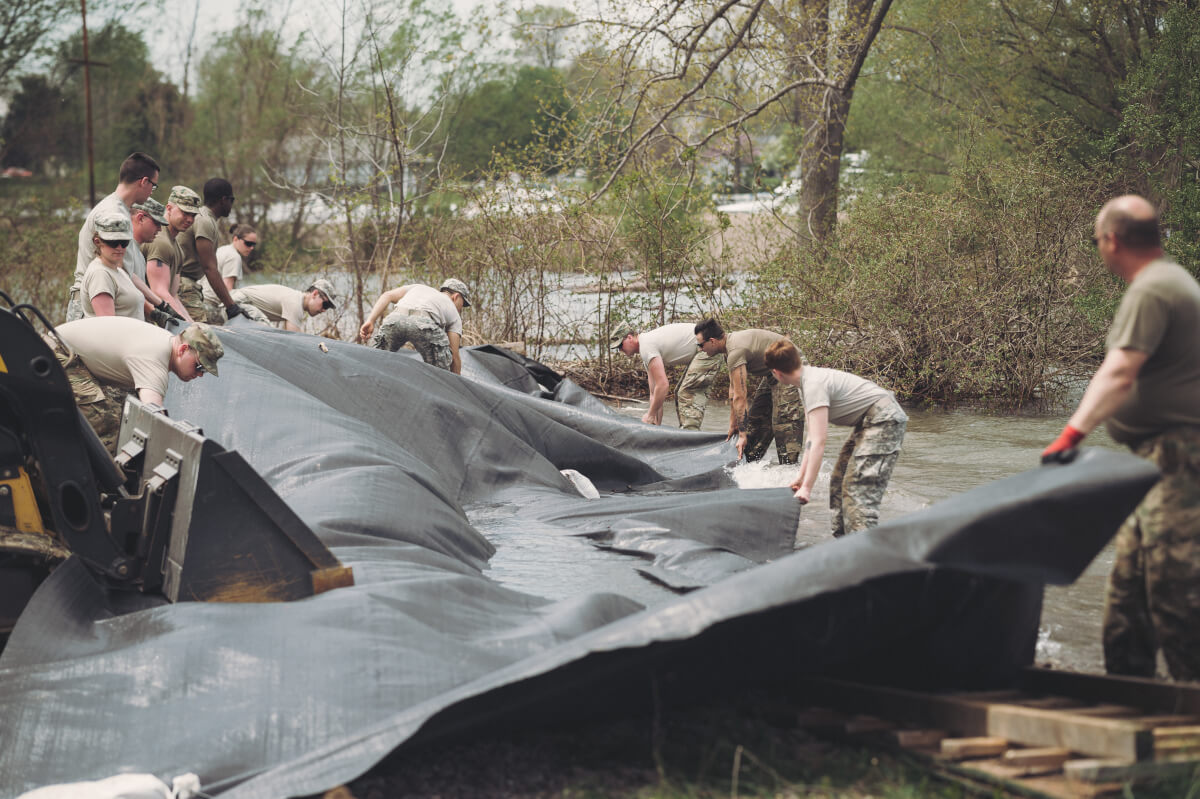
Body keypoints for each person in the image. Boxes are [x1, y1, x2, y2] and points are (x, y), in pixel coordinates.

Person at [1041, 195, 1200, 682]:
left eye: (1096, 240)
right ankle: (1129, 699)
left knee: (1177, 593)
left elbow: (1120, 371)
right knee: (1129, 600)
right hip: (1155, 460)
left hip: (1180, 458)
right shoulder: (1167, 282)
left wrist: (1070, 434)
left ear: (1111, 240)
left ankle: (1191, 713)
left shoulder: (1153, 289)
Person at [765, 339, 908, 537]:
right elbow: (810, 439)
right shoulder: (803, 383)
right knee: (839, 482)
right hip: (869, 420)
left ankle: (864, 554)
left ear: (776, 373)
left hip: (885, 417)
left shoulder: (813, 384)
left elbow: (820, 441)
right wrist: (801, 477)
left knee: (858, 490)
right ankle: (842, 543)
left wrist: (807, 488)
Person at [49, 317, 224, 455]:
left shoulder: (164, 342)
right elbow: (155, 418)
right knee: (110, 425)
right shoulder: (155, 358)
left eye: (205, 371)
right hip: (59, 353)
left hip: (70, 353)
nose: (200, 374)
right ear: (183, 349)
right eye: (199, 366)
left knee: (124, 411)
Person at [67, 151, 172, 322]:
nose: (152, 192)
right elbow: (123, 273)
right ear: (144, 182)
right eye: (153, 186)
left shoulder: (120, 209)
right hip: (96, 305)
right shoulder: (113, 214)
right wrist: (158, 307)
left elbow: (126, 273)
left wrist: (159, 305)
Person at [693, 318, 804, 464]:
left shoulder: (735, 351)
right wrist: (734, 426)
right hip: (774, 374)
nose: (700, 349)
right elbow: (733, 392)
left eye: (701, 345)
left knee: (784, 428)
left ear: (712, 341)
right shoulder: (729, 350)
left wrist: (742, 435)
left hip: (793, 372)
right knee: (756, 423)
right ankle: (750, 468)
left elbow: (741, 396)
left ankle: (790, 476)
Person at [610, 320, 722, 428]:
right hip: (701, 348)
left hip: (707, 346)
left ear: (629, 338)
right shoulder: (646, 351)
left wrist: (650, 415)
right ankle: (685, 432)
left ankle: (690, 435)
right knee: (679, 392)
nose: (620, 350)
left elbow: (663, 385)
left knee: (686, 393)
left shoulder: (646, 347)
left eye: (620, 346)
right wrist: (654, 425)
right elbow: (654, 394)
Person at [358, 279, 471, 374]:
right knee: (440, 374)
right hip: (424, 323)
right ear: (456, 297)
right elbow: (455, 357)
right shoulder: (454, 312)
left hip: (394, 319)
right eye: (463, 304)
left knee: (376, 362)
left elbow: (387, 295)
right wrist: (457, 387)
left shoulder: (418, 288)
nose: (461, 308)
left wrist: (370, 320)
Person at [177, 178, 243, 322]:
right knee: (201, 337)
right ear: (223, 200)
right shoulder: (205, 221)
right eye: (232, 200)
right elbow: (210, 268)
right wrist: (231, 306)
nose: (232, 205)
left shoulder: (205, 218)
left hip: (188, 284)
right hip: (183, 284)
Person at [144, 186, 202, 323]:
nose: (189, 219)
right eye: (185, 213)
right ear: (169, 209)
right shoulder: (160, 241)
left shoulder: (177, 248)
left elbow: (173, 295)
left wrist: (190, 324)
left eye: (193, 215)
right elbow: (159, 291)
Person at [79, 213, 145, 321]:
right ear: (98, 242)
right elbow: (108, 326)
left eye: (124, 242)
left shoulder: (118, 270)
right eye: (113, 242)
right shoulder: (100, 275)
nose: (119, 247)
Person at [227, 280, 337, 331]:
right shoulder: (296, 302)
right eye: (325, 305)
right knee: (267, 333)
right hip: (234, 305)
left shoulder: (296, 299)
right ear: (315, 294)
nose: (323, 310)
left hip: (233, 302)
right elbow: (295, 339)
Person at [201, 224, 258, 322]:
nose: (251, 247)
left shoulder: (222, 250)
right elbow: (228, 290)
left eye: (254, 244)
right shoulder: (234, 257)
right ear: (235, 239)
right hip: (211, 307)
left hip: (200, 301)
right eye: (248, 243)